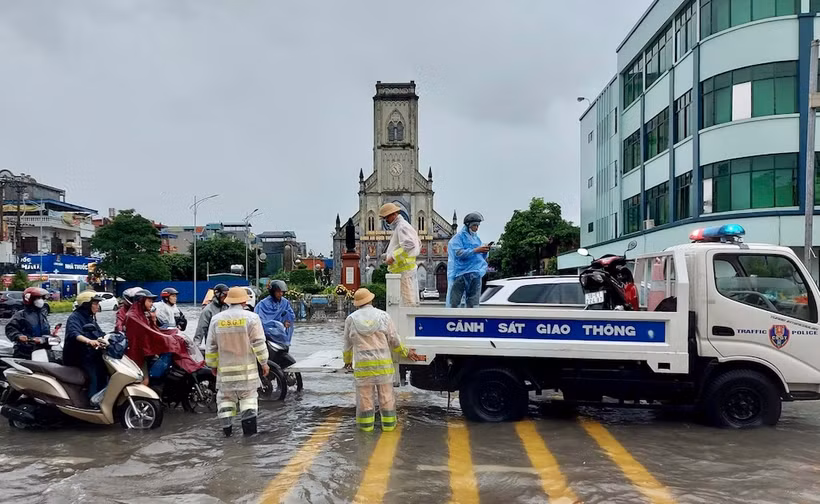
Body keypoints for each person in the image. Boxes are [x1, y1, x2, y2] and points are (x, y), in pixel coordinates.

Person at [343, 288, 423, 432]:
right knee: (387, 399)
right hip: (383, 367)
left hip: (363, 369)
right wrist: (406, 352)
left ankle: (366, 432)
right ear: (371, 300)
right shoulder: (383, 316)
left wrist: (347, 361)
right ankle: (389, 428)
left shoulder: (351, 319)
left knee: (365, 401)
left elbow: (347, 345)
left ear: (357, 303)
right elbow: (394, 340)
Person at [205, 287, 269, 437]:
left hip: (225, 374)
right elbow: (258, 343)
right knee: (248, 402)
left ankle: (227, 435)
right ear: (244, 300)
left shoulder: (217, 319)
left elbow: (211, 346)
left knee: (226, 403)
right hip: (247, 375)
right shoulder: (252, 318)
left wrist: (212, 365)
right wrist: (264, 363)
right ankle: (249, 438)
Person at [124, 289, 201, 384]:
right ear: (141, 302)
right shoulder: (133, 316)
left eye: (152, 301)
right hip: (138, 353)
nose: (152, 304)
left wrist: (153, 320)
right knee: (145, 380)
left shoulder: (143, 314)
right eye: (149, 301)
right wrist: (169, 340)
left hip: (146, 350)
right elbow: (150, 332)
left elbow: (156, 329)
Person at [63, 291, 107, 399]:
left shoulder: (90, 318)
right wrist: (89, 341)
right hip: (78, 356)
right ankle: (91, 401)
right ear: (86, 305)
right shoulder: (74, 317)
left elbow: (100, 333)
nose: (98, 306)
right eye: (95, 304)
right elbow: (74, 334)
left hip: (91, 354)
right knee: (93, 377)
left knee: (104, 373)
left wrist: (107, 339)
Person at [380, 203, 421, 307]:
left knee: (408, 304)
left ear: (393, 214)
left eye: (386, 218)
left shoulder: (402, 226)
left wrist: (393, 257)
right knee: (404, 302)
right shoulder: (401, 226)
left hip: (404, 271)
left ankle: (409, 324)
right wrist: (388, 254)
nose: (386, 221)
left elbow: (409, 245)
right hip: (403, 271)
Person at [447, 212, 490, 308]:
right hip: (461, 274)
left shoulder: (477, 239)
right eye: (475, 225)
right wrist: (476, 250)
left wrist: (484, 251)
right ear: (468, 225)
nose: (477, 228)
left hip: (475, 273)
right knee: (455, 302)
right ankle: (453, 320)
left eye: (478, 225)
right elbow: (458, 253)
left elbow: (480, 257)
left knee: (473, 303)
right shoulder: (458, 238)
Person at [5, 287, 52, 359]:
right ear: (29, 299)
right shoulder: (21, 315)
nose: (41, 300)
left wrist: (51, 336)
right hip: (25, 352)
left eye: (42, 298)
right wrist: (18, 336)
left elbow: (44, 331)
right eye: (38, 298)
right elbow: (10, 328)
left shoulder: (42, 314)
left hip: (41, 350)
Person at [254, 280, 295, 347]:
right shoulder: (263, 304)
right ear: (273, 292)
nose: (281, 294)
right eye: (278, 292)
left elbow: (290, 315)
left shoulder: (285, 302)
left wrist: (287, 321)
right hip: (267, 335)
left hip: (281, 335)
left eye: (282, 292)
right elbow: (259, 319)